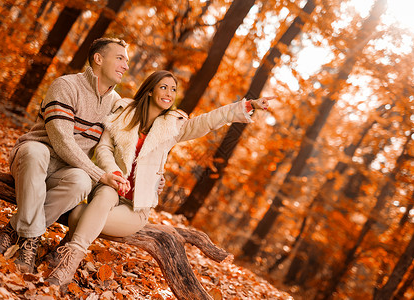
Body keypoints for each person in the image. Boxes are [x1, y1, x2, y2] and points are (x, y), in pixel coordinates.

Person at [44, 70, 273, 286]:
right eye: (163, 87)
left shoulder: (173, 126)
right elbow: (104, 149)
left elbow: (208, 121)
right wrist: (114, 173)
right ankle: (68, 265)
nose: (169, 93)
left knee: (79, 214)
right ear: (151, 90)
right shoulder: (122, 112)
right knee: (105, 193)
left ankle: (65, 252)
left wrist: (248, 104)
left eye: (173, 90)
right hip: (111, 190)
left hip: (136, 207)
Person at [0, 37, 131, 273]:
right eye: (120, 58)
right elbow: (62, 141)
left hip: (65, 173)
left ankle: (16, 231)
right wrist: (99, 174)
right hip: (31, 160)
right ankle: (31, 240)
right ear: (98, 58)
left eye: (127, 61)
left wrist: (152, 176)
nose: (125, 66)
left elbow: (120, 147)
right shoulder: (66, 86)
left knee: (81, 181)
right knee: (37, 152)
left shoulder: (116, 104)